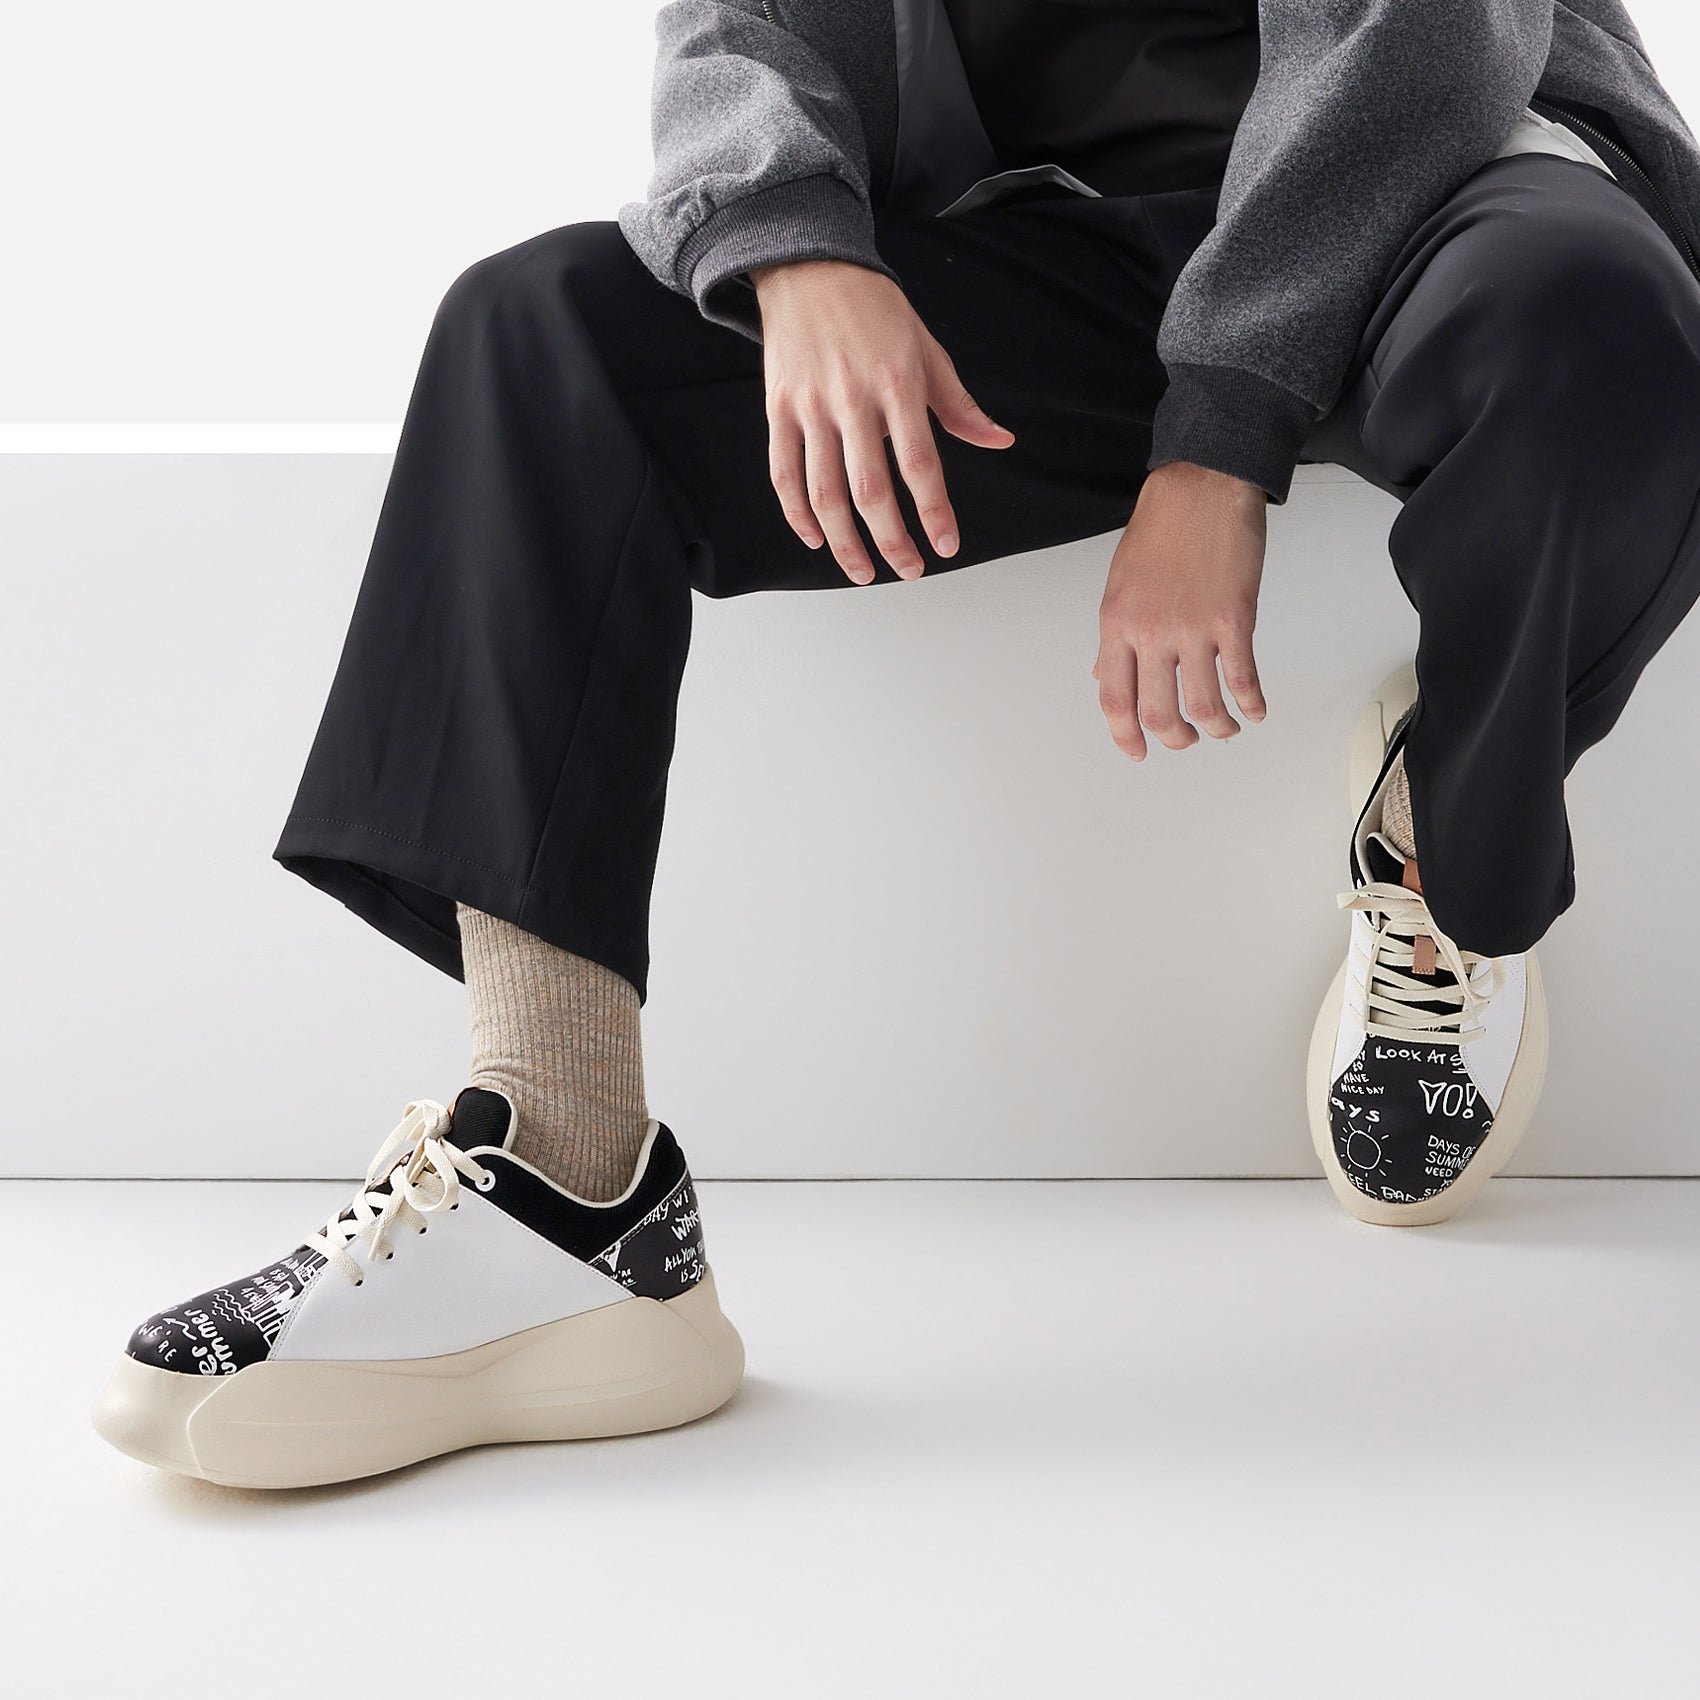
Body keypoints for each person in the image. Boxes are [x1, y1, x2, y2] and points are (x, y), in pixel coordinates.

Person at [94, 0, 1700, 1487]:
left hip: (1439, 187)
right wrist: (794, 246)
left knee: (1606, 332)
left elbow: (1420, 35)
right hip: (1061, 237)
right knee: (541, 329)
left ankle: (1443, 852)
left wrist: (1217, 443)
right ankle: (568, 1185)